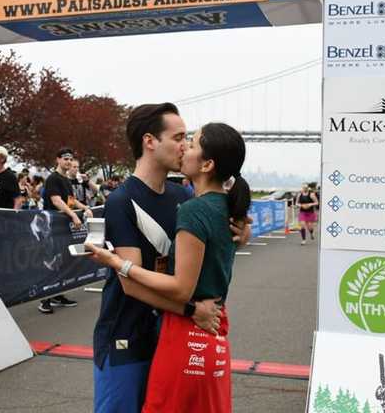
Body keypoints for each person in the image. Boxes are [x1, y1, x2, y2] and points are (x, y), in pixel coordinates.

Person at [86, 103, 249, 413]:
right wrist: (190, 310)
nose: (185, 146)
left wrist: (241, 232)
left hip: (167, 338)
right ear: (150, 142)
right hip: (126, 338)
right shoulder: (121, 201)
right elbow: (130, 285)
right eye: (179, 137)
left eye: (189, 139)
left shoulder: (184, 197)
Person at [38, 147, 93, 315]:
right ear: (58, 160)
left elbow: (70, 201)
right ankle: (44, 299)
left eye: (70, 159)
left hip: (63, 228)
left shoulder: (67, 180)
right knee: (50, 262)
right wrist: (74, 216)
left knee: (61, 261)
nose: (68, 162)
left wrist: (85, 208)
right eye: (65, 159)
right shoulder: (53, 179)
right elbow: (56, 201)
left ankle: (57, 295)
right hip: (51, 227)